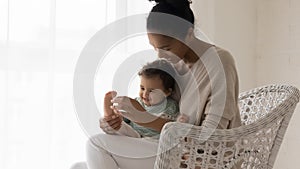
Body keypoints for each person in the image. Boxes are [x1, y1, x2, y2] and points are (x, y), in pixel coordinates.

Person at [71, 0, 242, 169]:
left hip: (199, 158)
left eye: (166, 48)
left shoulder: (220, 61)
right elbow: (163, 115)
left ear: (189, 34)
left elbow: (211, 137)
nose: (160, 55)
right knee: (78, 166)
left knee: (96, 144)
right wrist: (122, 122)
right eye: (154, 48)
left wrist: (144, 117)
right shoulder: (175, 65)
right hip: (164, 146)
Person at [101, 59, 179, 139]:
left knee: (125, 130)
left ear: (167, 92)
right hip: (133, 132)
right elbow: (126, 119)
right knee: (120, 125)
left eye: (152, 91)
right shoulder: (138, 102)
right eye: (142, 88)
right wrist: (119, 117)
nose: (145, 94)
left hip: (150, 138)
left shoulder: (170, 106)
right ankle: (110, 115)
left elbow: (170, 125)